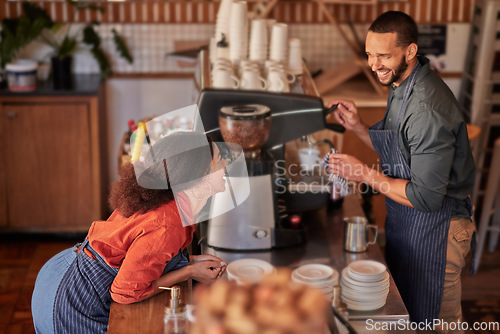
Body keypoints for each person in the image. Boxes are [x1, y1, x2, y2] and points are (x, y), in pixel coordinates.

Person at [327, 11, 476, 328]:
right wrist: (357, 127)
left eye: (383, 55)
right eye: (369, 54)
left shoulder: (426, 109)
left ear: (410, 51)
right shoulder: (401, 82)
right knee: (409, 314)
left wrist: (364, 174)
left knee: (438, 322)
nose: (374, 64)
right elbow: (403, 153)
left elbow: (426, 197)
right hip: (410, 226)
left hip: (440, 232)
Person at [32, 130, 228, 333]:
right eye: (220, 160)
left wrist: (192, 261)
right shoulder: (169, 223)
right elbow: (125, 293)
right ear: (200, 173)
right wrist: (188, 271)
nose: (225, 165)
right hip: (73, 301)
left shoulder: (162, 197)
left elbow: (140, 252)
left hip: (62, 271)